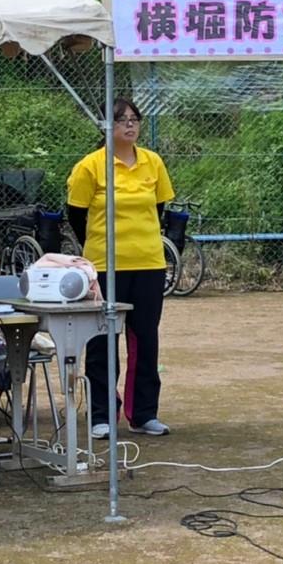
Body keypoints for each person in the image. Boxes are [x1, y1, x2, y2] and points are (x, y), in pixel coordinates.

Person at [66, 96, 176, 440]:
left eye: (134, 119)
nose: (129, 124)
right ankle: (102, 413)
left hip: (148, 262)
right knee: (102, 338)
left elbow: (159, 209)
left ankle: (143, 413)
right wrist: (101, 246)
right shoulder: (90, 166)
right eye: (121, 119)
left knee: (145, 339)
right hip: (104, 265)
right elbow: (76, 214)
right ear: (106, 126)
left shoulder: (153, 163)